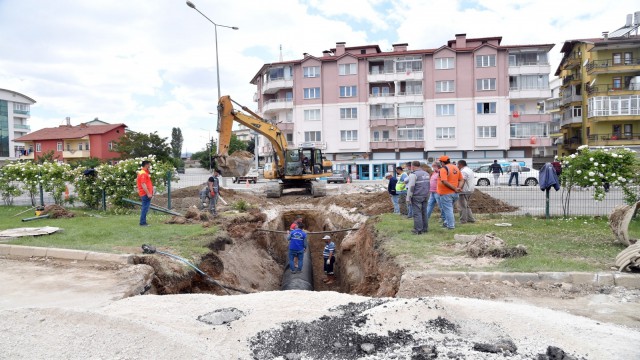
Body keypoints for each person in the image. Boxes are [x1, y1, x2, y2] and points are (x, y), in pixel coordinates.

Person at [436, 155, 462, 230]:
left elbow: (444, 181)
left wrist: (455, 188)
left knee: (448, 210)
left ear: (442, 162)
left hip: (446, 193)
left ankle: (450, 226)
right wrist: (458, 188)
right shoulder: (455, 168)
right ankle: (447, 223)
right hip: (454, 193)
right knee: (449, 209)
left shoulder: (443, 169)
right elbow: (461, 180)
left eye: (440, 162)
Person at [406, 160, 430, 234]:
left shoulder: (413, 174)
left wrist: (408, 197)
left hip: (417, 196)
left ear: (412, 166)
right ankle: (425, 228)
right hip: (425, 195)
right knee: (424, 212)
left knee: (417, 213)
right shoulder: (426, 173)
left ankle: (418, 229)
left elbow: (411, 187)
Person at [136, 160, 153, 227]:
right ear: (146, 165)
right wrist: (148, 193)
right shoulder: (143, 173)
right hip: (145, 194)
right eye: (149, 164)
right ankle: (142, 223)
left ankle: (143, 222)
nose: (149, 166)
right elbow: (143, 184)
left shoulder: (143, 172)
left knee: (145, 208)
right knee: (145, 208)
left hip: (144, 193)